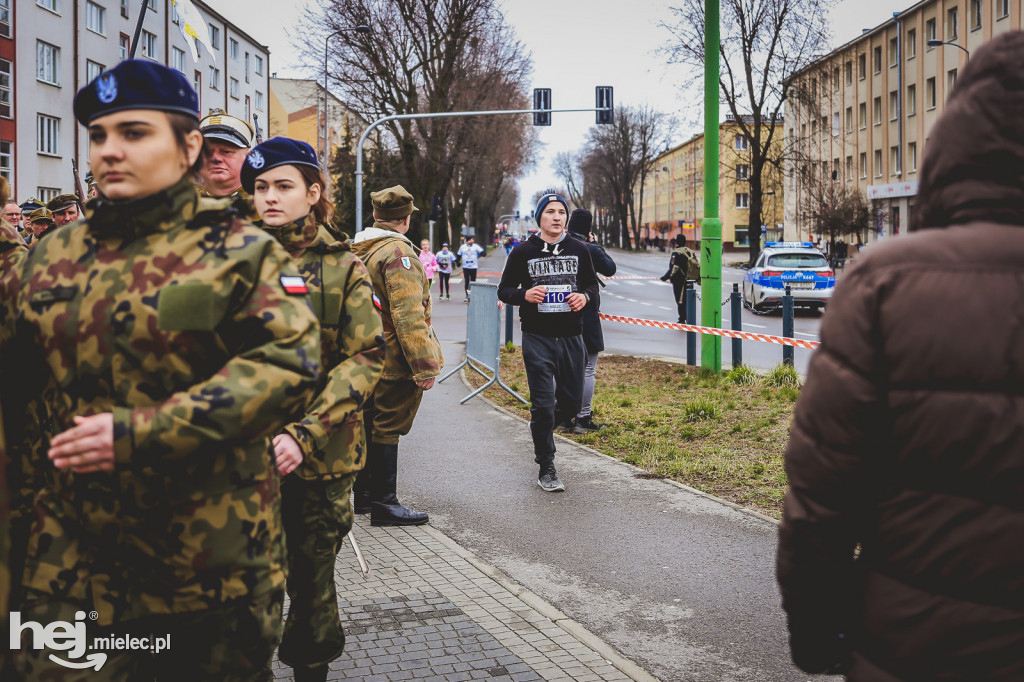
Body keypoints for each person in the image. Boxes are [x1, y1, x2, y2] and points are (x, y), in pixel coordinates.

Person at [0, 60, 321, 680]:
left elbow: (289, 363)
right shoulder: (50, 257)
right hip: (70, 567)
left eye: (135, 133)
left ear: (188, 147)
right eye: (98, 136)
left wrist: (144, 431)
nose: (111, 151)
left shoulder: (239, 252)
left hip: (207, 570)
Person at [777, 32, 1024, 682]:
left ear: (955, 142)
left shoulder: (886, 282)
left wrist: (815, 632)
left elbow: (821, 500)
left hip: (917, 646)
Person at [243, 136, 384, 682]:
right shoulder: (231, 260)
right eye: (260, 187)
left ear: (313, 192)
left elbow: (365, 357)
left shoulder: (343, 268)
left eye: (283, 185)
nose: (270, 197)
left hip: (318, 460)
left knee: (310, 587)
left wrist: (302, 434)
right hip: (242, 458)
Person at [351, 186, 443, 526]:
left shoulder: (358, 248)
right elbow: (408, 314)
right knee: (388, 426)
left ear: (376, 216)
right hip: (393, 358)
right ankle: (385, 504)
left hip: (364, 351)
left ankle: (363, 497)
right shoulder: (398, 255)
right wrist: (424, 365)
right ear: (405, 220)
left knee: (368, 422)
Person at [498, 193, 599, 492]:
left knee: (569, 405)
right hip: (537, 338)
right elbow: (504, 290)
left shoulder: (580, 249)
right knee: (542, 406)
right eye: (550, 212)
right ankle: (547, 465)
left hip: (572, 338)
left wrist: (585, 297)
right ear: (540, 217)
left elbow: (592, 285)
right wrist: (524, 295)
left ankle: (540, 429)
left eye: (561, 212)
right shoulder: (523, 252)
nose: (556, 217)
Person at [564, 209, 616, 433]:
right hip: (586, 313)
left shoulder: (561, 244)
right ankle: (583, 418)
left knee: (563, 367)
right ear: (588, 229)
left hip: (561, 312)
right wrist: (595, 244)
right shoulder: (589, 248)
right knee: (587, 368)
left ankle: (563, 416)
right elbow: (610, 268)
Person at [199, 110, 255, 199]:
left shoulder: (263, 204)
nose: (215, 158)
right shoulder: (179, 203)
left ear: (247, 157)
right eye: (207, 152)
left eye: (226, 152)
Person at [659, 234, 700, 323]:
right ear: (685, 242)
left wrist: (665, 277)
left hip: (679, 280)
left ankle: (682, 318)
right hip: (690, 279)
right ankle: (689, 316)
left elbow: (674, 267)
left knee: (680, 299)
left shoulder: (676, 252)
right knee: (688, 298)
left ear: (676, 242)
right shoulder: (690, 251)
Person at [457, 235, 484, 302]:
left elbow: (482, 252)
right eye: (470, 240)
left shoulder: (475, 246)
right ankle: (467, 295)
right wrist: (458, 262)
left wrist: (483, 253)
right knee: (466, 281)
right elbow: (458, 255)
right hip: (465, 267)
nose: (472, 241)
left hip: (473, 266)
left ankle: (472, 295)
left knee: (473, 281)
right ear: (467, 241)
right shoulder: (462, 247)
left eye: (472, 239)